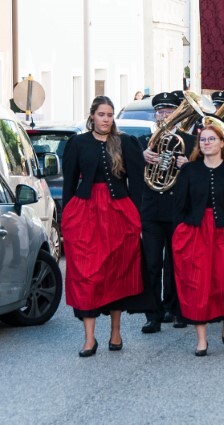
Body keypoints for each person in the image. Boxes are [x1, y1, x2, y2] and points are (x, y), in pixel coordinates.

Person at [62, 96, 147, 357]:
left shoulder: (125, 143)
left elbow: (137, 184)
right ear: (92, 116)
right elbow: (68, 184)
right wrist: (66, 219)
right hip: (85, 213)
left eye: (110, 115)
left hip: (119, 213)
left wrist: (137, 217)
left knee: (116, 271)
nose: (106, 119)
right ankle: (89, 339)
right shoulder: (78, 143)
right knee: (87, 274)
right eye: (101, 114)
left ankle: (116, 332)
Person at [172, 123, 224, 356]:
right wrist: (180, 233)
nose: (206, 143)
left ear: (222, 143)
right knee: (197, 283)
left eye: (211, 139)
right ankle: (202, 339)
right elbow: (180, 205)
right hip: (195, 233)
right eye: (203, 140)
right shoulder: (189, 170)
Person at [138, 92, 196, 334]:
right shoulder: (143, 142)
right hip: (152, 210)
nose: (164, 116)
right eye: (160, 112)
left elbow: (203, 174)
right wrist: (142, 157)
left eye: (169, 111)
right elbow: (130, 170)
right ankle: (153, 314)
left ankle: (177, 309)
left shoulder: (189, 142)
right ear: (155, 115)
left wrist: (188, 165)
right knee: (152, 263)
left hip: (178, 209)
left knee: (177, 262)